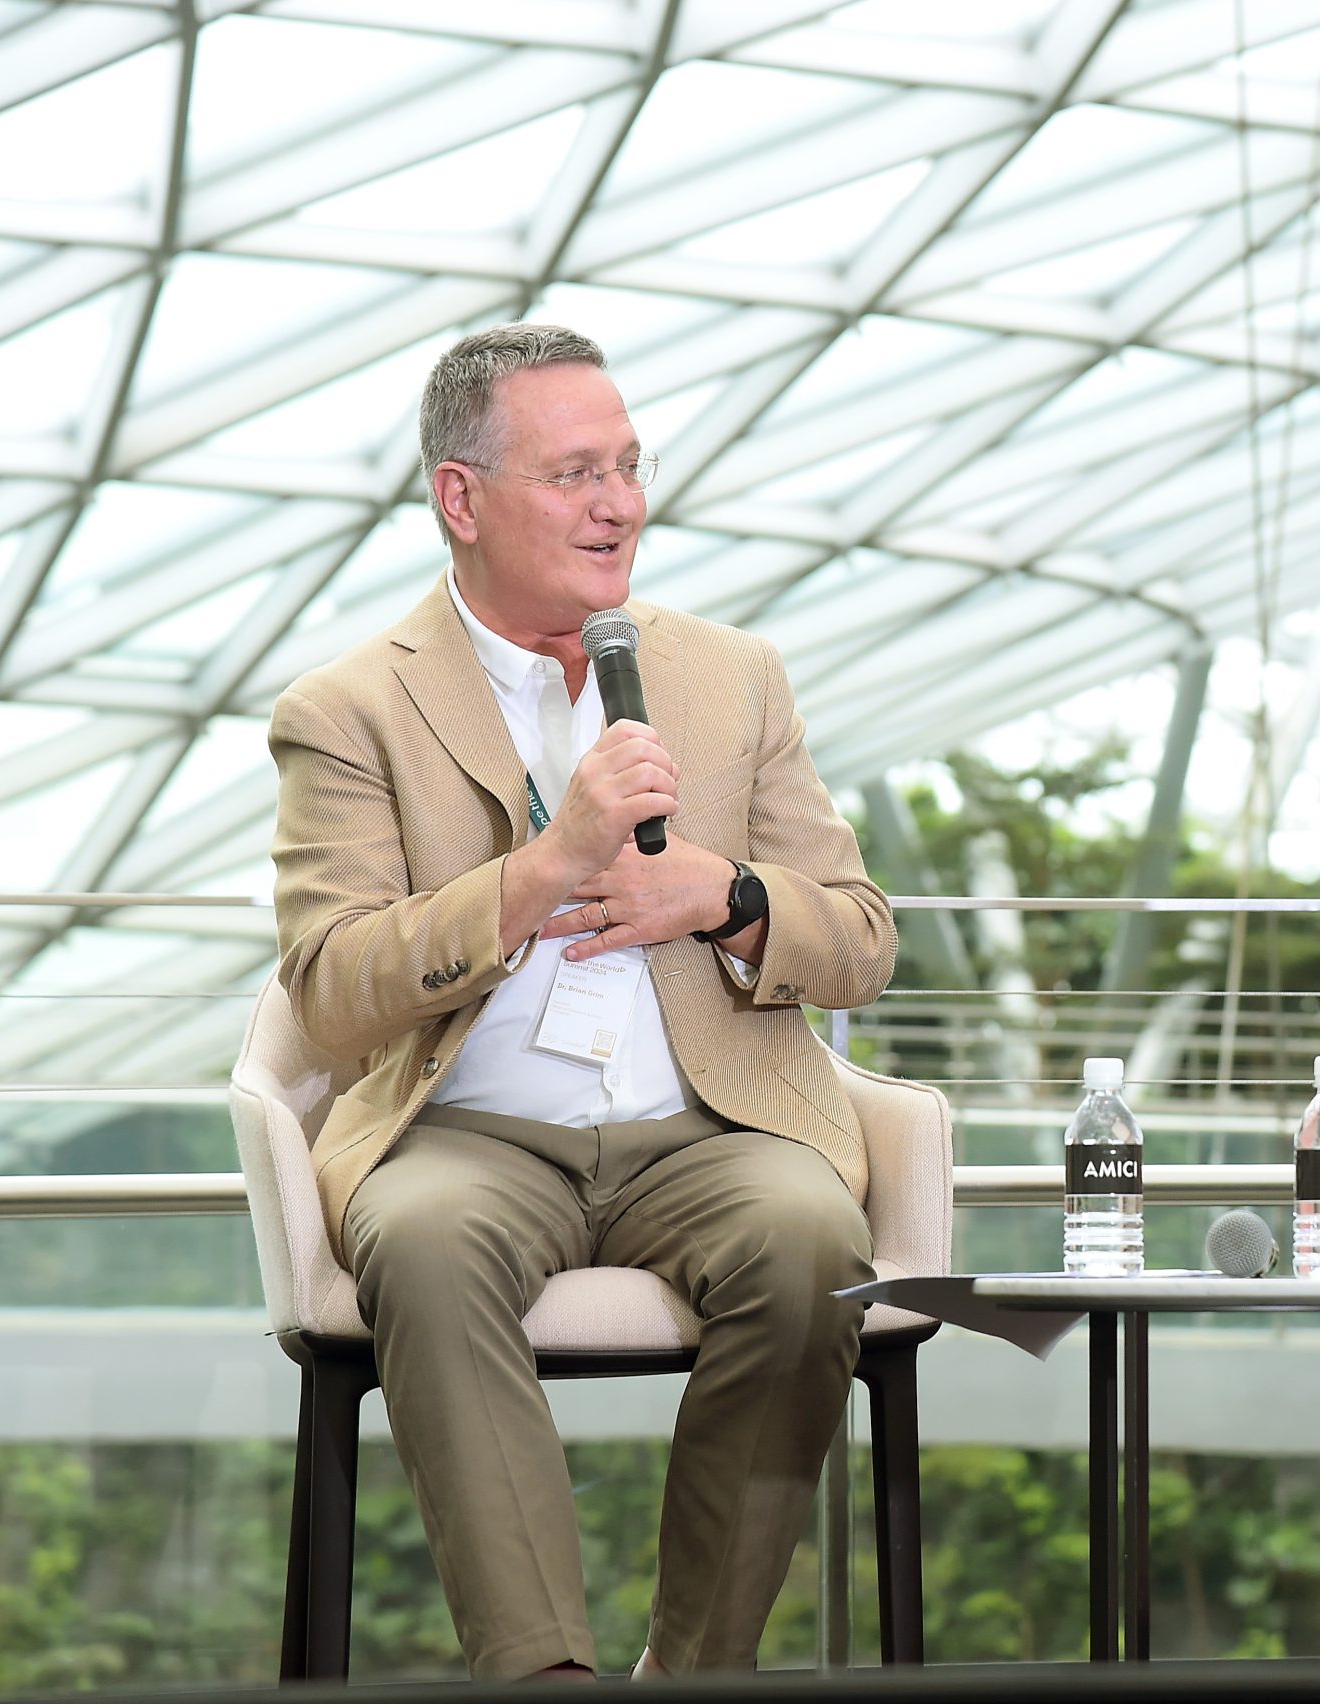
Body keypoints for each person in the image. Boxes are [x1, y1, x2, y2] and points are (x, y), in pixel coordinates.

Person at [267, 323, 897, 1679]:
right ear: (462, 498)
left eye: (628, 466)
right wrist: (543, 869)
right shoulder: (350, 709)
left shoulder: (731, 679)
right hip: (467, 1136)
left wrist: (725, 899)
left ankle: (696, 1672)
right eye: (574, 474)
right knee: (427, 1245)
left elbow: (857, 940)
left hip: (707, 1133)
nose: (619, 505)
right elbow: (329, 992)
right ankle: (545, 1676)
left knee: (810, 1242)